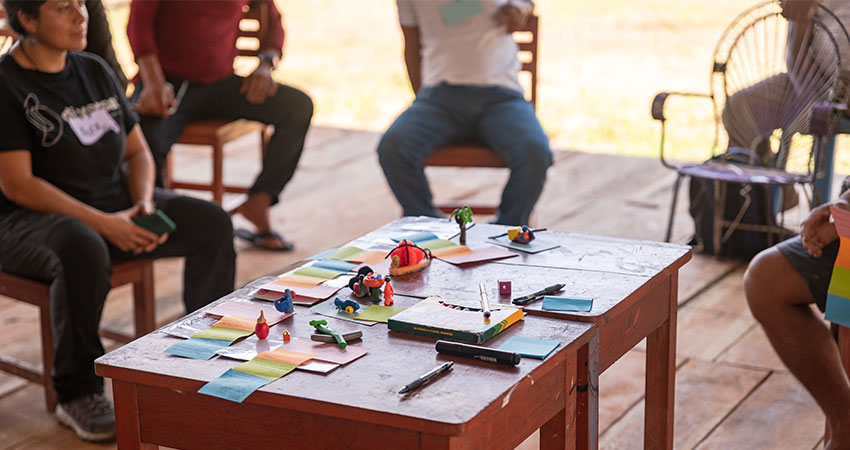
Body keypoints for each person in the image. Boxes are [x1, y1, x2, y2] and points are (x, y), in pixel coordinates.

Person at [0, 0, 236, 442]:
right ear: (26, 20)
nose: (80, 15)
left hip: (115, 204)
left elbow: (137, 151)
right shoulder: (6, 85)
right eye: (62, 8)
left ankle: (205, 355)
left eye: (81, 4)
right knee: (81, 246)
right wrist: (106, 223)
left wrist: (144, 203)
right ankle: (78, 392)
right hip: (26, 220)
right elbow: (18, 185)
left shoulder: (91, 68)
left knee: (211, 223)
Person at [127, 0, 313, 251]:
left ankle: (260, 199)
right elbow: (139, 24)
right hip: (167, 82)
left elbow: (273, 22)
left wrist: (266, 65)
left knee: (297, 106)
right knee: (144, 141)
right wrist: (152, 81)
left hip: (221, 84)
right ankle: (156, 224)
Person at [377, 0, 551, 226]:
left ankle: (504, 230)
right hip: (439, 99)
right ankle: (430, 226)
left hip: (502, 99)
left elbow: (526, 3)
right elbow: (411, 45)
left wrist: (519, 8)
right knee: (393, 147)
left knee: (535, 152)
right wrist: (422, 95)